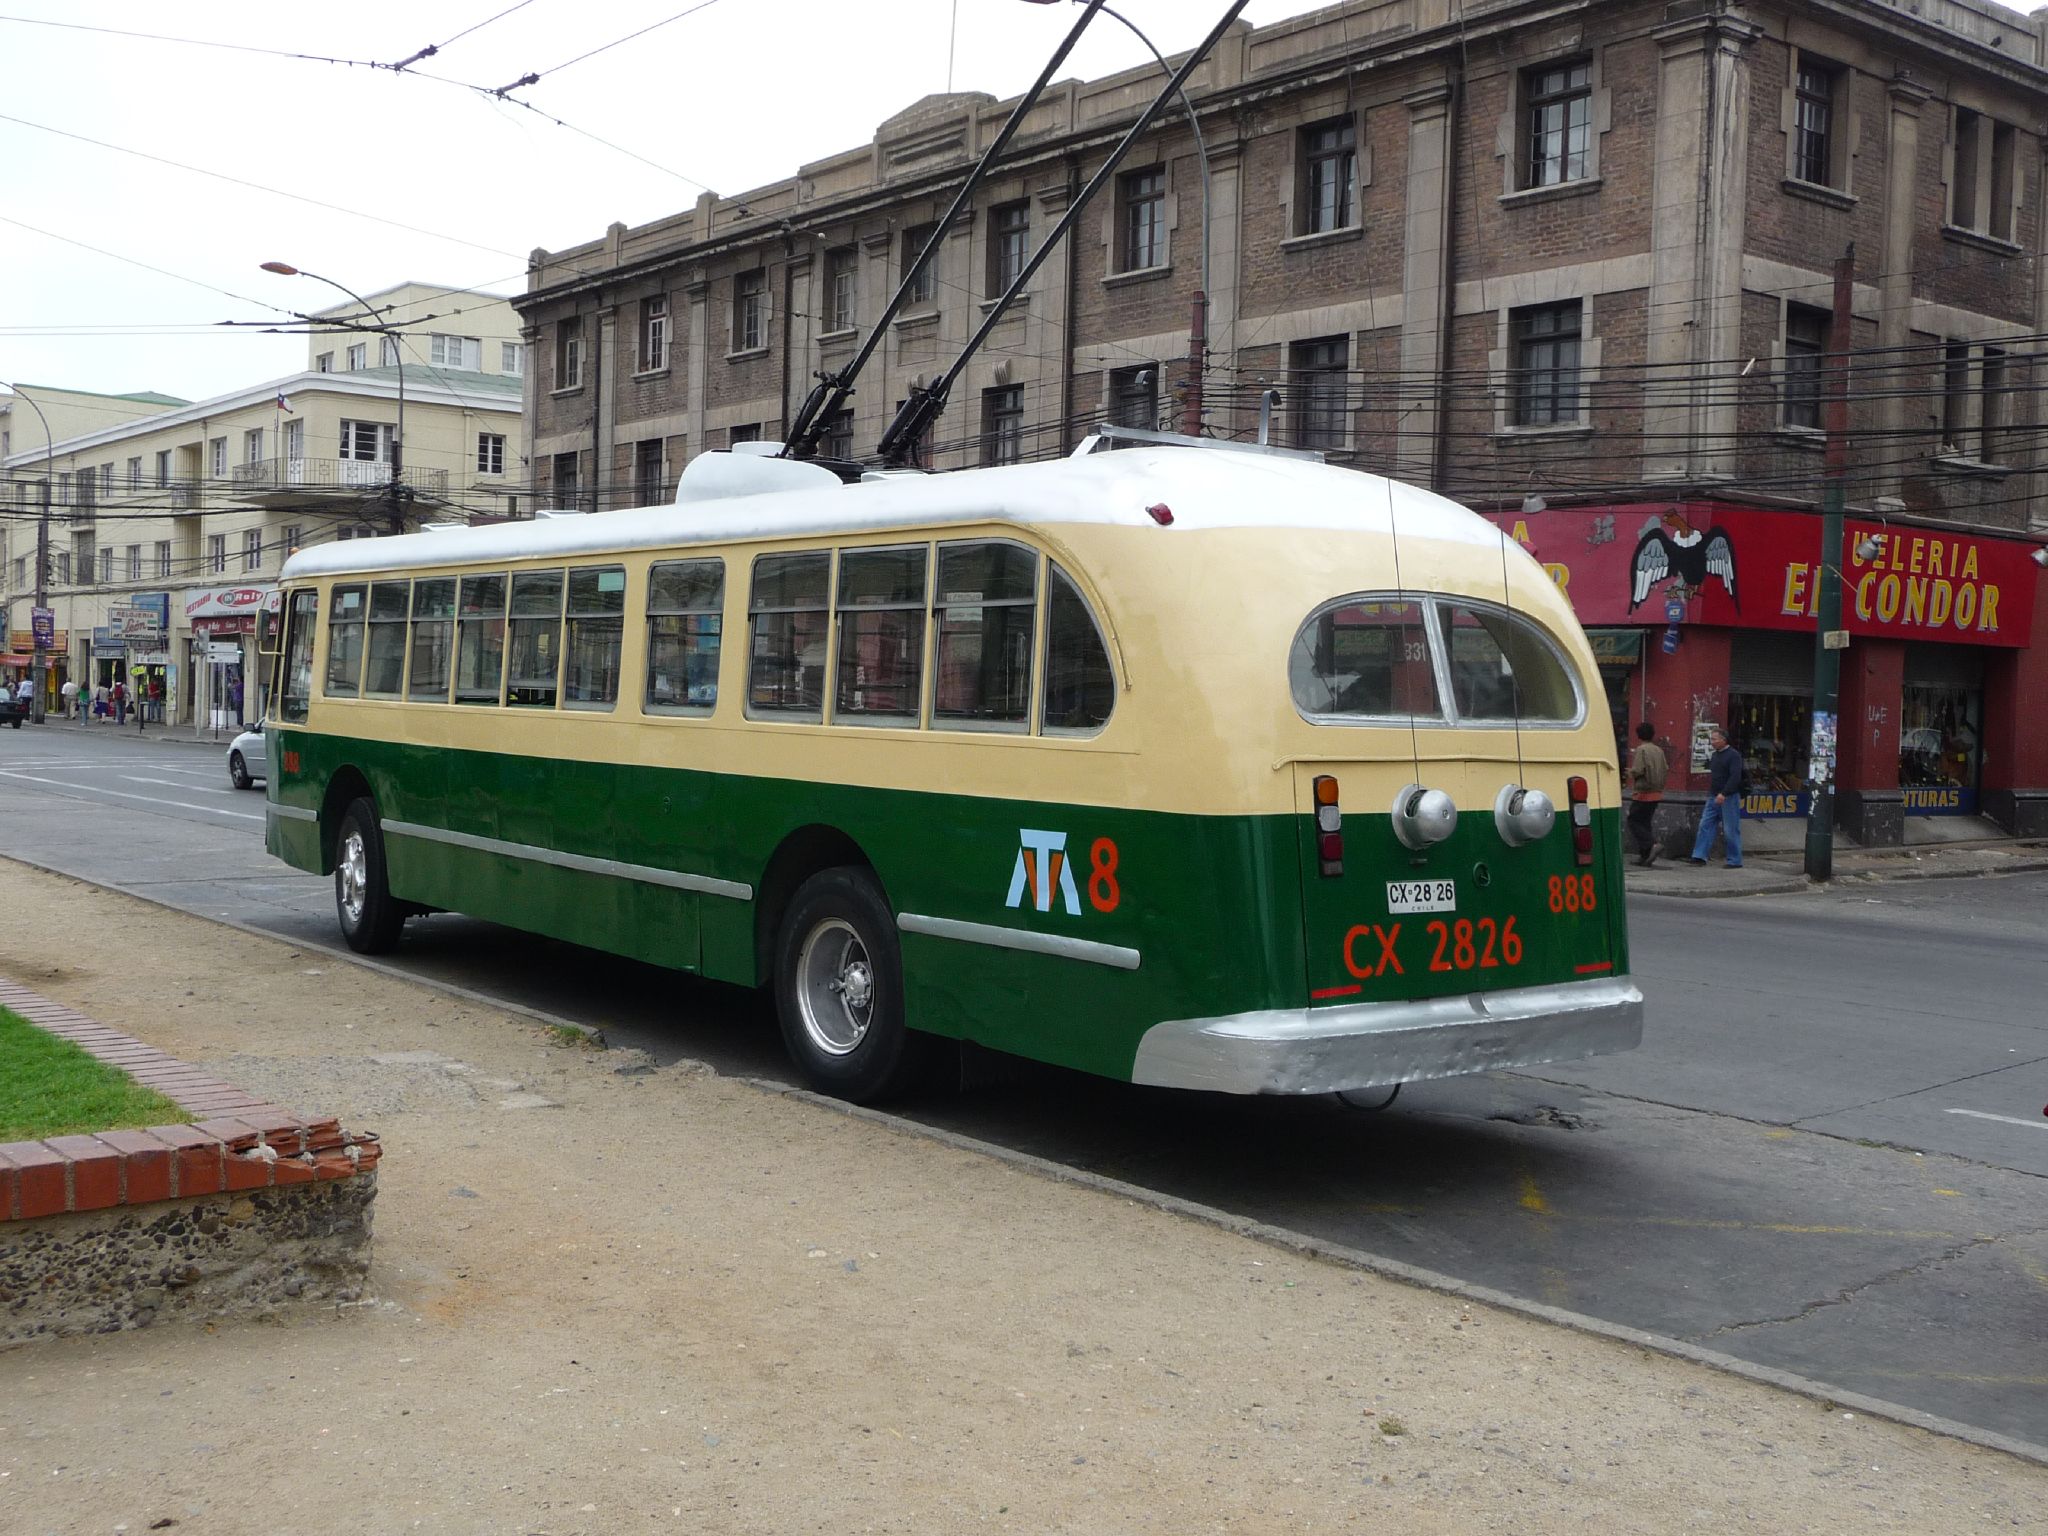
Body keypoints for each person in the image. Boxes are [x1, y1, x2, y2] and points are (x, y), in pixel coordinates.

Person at [1689, 725, 1745, 868]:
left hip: (1729, 797)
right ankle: (1699, 856)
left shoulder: (1733, 755)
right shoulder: (1715, 755)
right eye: (1711, 739)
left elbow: (1735, 777)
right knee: (1705, 825)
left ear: (1723, 740)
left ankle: (1734, 860)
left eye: (1714, 739)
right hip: (1713, 795)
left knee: (1730, 829)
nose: (1712, 742)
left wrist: (1724, 793)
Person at [1626, 721, 1668, 867]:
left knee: (1634, 820)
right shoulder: (1659, 750)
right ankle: (1645, 855)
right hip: (1656, 791)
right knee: (1645, 822)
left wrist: (1630, 772)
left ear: (1639, 735)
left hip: (1643, 791)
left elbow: (1638, 769)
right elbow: (1665, 767)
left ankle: (1652, 844)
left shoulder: (1641, 750)